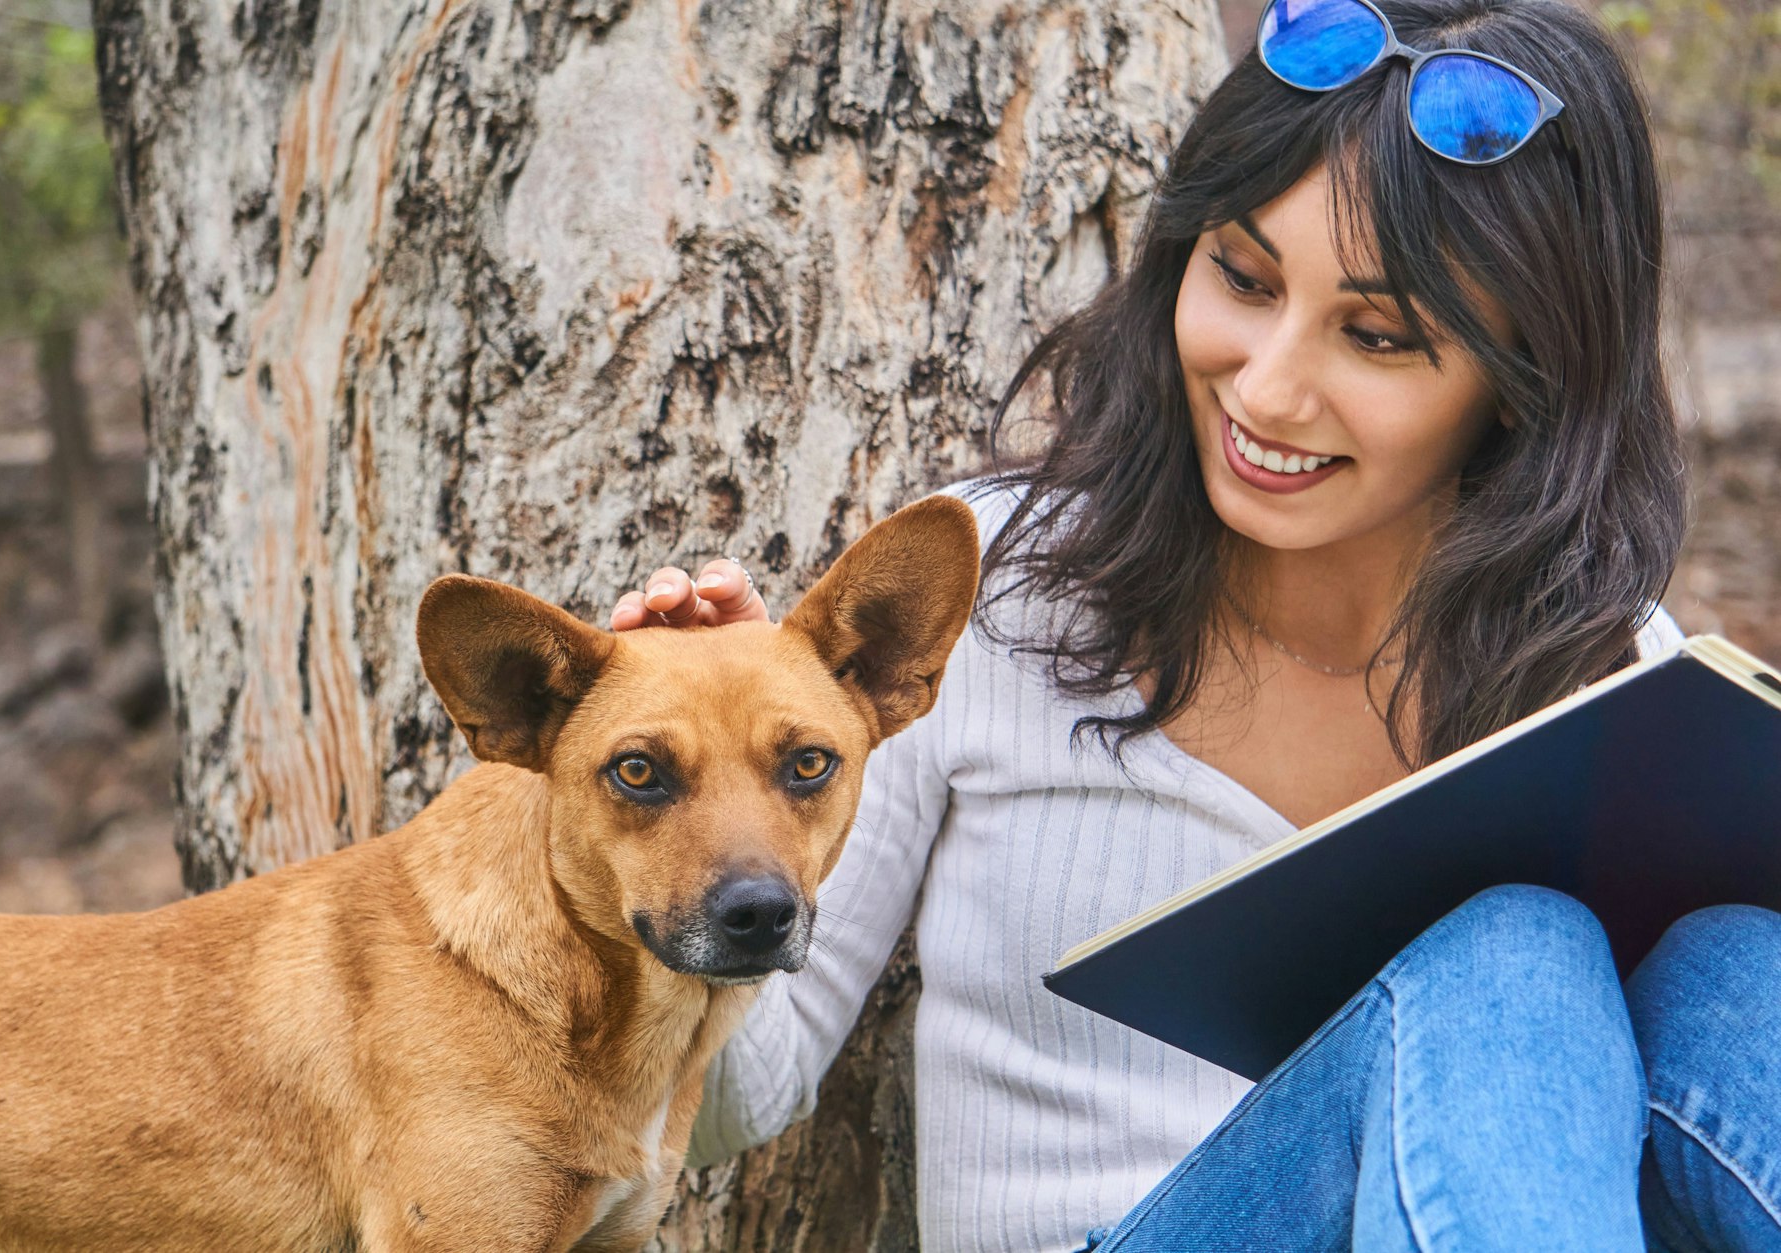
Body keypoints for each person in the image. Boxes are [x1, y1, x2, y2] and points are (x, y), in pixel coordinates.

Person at [611, 1, 1781, 1248]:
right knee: (1513, 952)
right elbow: (747, 1092)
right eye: (1241, 276)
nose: (1267, 387)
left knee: (1735, 969)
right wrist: (693, 796)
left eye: (1376, 334)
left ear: (1524, 378)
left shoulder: (1608, 669)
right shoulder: (992, 592)